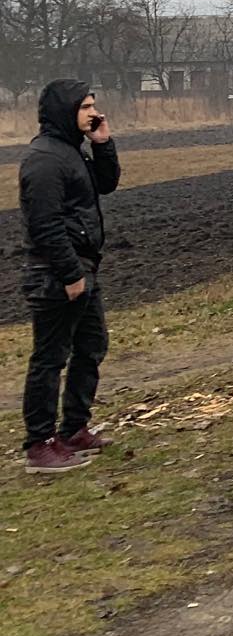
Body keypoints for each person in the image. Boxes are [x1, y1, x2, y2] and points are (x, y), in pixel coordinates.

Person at [18, 80, 120, 474]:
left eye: (94, 105)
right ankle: (40, 445)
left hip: (83, 267)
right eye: (86, 107)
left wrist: (102, 144)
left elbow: (106, 184)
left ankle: (74, 429)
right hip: (56, 274)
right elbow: (44, 224)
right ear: (65, 110)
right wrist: (70, 274)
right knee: (50, 358)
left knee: (91, 346)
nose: (95, 112)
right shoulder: (44, 159)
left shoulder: (71, 151)